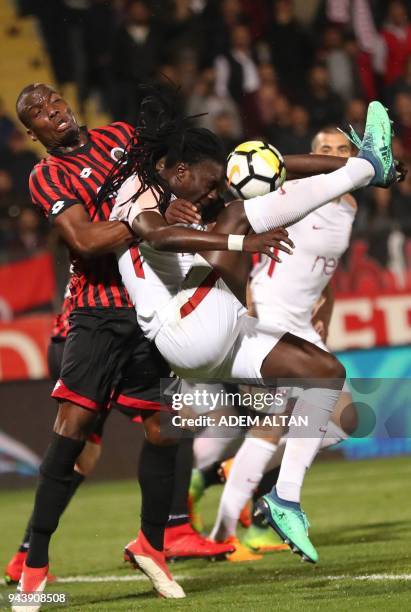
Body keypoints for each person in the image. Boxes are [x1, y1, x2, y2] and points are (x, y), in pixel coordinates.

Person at [13, 83, 282, 609]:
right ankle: (35, 568)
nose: (53, 112)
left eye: (55, 101)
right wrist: (147, 217)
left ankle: (153, 545)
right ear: (32, 133)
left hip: (154, 305)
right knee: (71, 434)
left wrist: (176, 201)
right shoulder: (48, 175)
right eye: (39, 113)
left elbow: (177, 175)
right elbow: (86, 240)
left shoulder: (122, 136)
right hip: (97, 312)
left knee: (166, 427)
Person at [109, 99, 398, 565]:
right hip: (185, 326)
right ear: (178, 170)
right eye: (207, 182)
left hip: (223, 329)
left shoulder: (186, 191)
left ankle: (284, 499)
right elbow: (159, 238)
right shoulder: (136, 196)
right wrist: (239, 241)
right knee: (240, 213)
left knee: (325, 373)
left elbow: (276, 165)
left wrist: (368, 170)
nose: (211, 192)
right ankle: (365, 166)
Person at [208, 127, 360, 552]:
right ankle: (226, 531)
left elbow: (324, 270)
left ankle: (240, 474)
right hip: (272, 314)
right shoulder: (293, 191)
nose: (334, 155)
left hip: (304, 322)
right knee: (279, 420)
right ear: (313, 158)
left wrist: (325, 307)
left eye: (342, 150)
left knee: (345, 420)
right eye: (325, 151)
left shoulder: (349, 204)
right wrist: (247, 297)